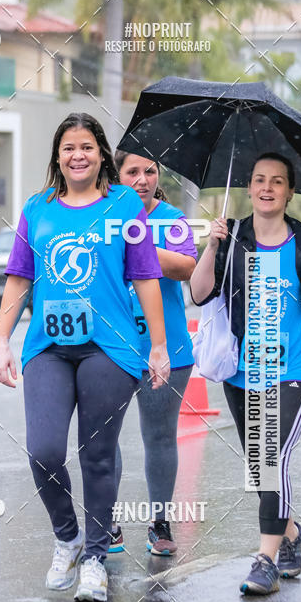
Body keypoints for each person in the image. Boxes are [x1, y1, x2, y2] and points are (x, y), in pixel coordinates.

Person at [0, 112, 169, 602]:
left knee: (96, 455)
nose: (78, 155)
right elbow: (19, 280)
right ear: (57, 155)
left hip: (109, 349)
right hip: (47, 346)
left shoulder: (124, 205)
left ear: (101, 155)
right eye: (69, 147)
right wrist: (2, 340)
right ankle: (67, 537)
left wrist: (157, 344)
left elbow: (146, 276)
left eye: (87, 147)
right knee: (44, 450)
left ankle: (95, 558)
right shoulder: (37, 208)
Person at [190, 152, 301, 595]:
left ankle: (264, 558)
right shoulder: (233, 239)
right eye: (259, 180)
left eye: (276, 181)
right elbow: (200, 293)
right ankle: (293, 535)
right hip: (244, 373)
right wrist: (212, 245)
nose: (267, 187)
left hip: (297, 369)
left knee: (271, 458)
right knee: (262, 469)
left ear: (289, 191)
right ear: (249, 188)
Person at [111, 151, 197, 556]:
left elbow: (187, 267)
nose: (143, 178)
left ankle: (160, 523)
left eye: (150, 171)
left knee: (160, 437)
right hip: (109, 347)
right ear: (116, 175)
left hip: (168, 350)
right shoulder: (101, 215)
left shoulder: (172, 219)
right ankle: (104, 520)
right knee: (102, 438)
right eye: (133, 171)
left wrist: (138, 244)